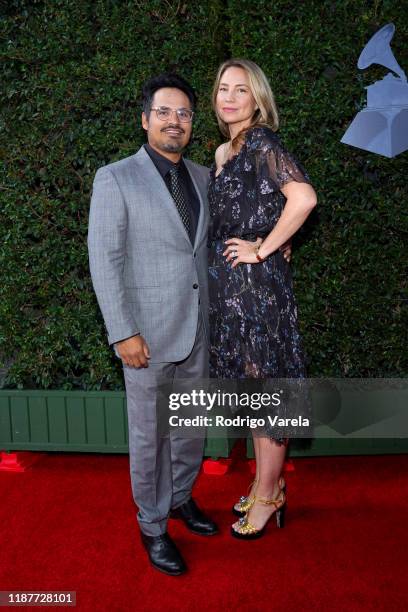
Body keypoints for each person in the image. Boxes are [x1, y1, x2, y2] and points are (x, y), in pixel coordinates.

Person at [87, 73, 218, 576]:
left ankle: (182, 498)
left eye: (184, 114)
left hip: (196, 331)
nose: (174, 121)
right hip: (146, 335)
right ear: (145, 120)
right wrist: (122, 332)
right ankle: (152, 525)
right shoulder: (115, 177)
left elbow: (207, 248)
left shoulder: (204, 177)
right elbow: (105, 260)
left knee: (188, 429)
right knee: (149, 436)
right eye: (164, 112)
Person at [208, 59, 317, 539]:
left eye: (241, 90)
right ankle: (263, 483)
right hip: (231, 293)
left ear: (257, 100)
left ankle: (271, 495)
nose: (230, 98)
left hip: (256, 293)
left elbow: (304, 198)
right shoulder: (222, 152)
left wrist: (264, 247)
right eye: (223, 89)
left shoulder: (261, 143)